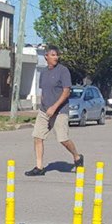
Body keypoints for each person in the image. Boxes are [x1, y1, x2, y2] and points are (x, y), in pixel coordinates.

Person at [25, 45, 84, 176]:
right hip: (44, 111)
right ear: (46, 56)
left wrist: (54, 107)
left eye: (57, 55)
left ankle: (77, 156)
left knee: (63, 139)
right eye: (53, 55)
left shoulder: (63, 71)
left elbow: (66, 91)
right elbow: (44, 91)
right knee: (37, 137)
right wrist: (44, 105)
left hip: (60, 111)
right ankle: (39, 167)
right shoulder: (44, 72)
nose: (56, 57)